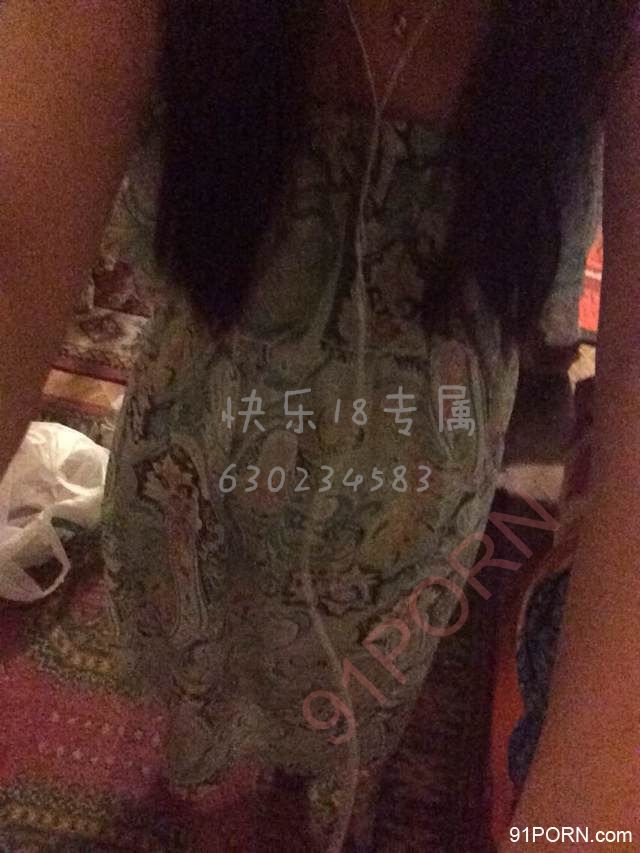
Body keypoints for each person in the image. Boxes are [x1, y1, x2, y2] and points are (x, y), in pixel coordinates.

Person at [0, 2, 637, 849]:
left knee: (357, 694)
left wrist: (573, 828)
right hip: (199, 460)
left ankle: (326, 786)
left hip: (415, 498)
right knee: (200, 659)